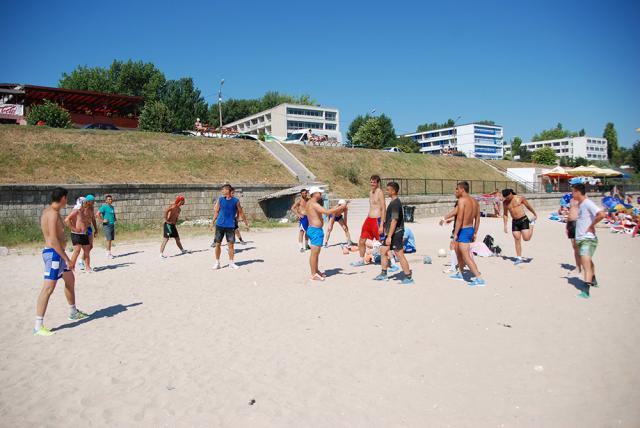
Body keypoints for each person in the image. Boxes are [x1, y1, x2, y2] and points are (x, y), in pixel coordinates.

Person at [35, 187, 88, 336]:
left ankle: (73, 312)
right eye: (67, 198)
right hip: (54, 255)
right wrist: (67, 259)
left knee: (70, 280)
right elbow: (52, 240)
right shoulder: (52, 214)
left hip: (58, 254)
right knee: (48, 289)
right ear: (63, 198)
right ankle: (38, 326)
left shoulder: (50, 212)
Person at [373, 182, 414, 284]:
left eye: (388, 190)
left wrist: (389, 236)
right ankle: (383, 274)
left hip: (396, 233)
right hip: (391, 233)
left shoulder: (395, 203)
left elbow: (394, 220)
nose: (387, 191)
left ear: (393, 191)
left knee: (399, 254)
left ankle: (408, 277)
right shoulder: (393, 202)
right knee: (383, 250)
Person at [571, 183, 606, 299]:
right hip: (581, 238)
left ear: (577, 192)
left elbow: (601, 214)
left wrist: (592, 226)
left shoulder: (587, 203)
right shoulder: (581, 204)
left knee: (585, 263)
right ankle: (593, 280)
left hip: (588, 239)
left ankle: (586, 291)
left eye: (573, 191)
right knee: (588, 261)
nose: (572, 194)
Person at [305, 186, 346, 281]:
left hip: (313, 229)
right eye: (319, 192)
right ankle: (313, 274)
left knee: (316, 253)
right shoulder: (314, 204)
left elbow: (323, 210)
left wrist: (336, 207)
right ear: (315, 193)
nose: (321, 194)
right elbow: (327, 212)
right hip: (315, 230)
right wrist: (340, 207)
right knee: (314, 253)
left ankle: (316, 270)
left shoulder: (310, 203)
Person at [450, 182, 485, 286]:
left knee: (466, 256)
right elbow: (478, 219)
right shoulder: (475, 202)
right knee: (459, 253)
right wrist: (475, 232)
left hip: (463, 230)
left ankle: (479, 278)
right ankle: (460, 273)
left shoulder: (462, 201)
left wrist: (455, 234)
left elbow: (459, 219)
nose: (456, 191)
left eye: (457, 189)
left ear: (462, 189)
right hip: (470, 229)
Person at [212, 185, 250, 269]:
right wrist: (212, 222)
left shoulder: (236, 201)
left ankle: (231, 263)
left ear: (228, 190)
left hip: (230, 226)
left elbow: (241, 213)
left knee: (231, 246)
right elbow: (216, 211)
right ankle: (217, 263)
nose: (222, 191)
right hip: (220, 225)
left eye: (223, 189)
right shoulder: (220, 199)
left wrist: (246, 223)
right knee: (218, 244)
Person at [351, 175, 386, 267]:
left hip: (377, 220)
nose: (372, 184)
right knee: (361, 240)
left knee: (382, 242)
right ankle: (361, 260)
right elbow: (371, 207)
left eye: (374, 182)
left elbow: (383, 208)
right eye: (371, 182)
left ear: (378, 183)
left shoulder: (380, 192)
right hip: (369, 219)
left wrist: (382, 224)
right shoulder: (370, 192)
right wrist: (367, 219)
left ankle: (392, 261)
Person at [502, 188, 538, 265]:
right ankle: (519, 258)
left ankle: (532, 224)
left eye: (508, 196)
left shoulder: (519, 198)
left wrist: (534, 213)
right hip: (515, 222)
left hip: (523, 220)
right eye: (506, 197)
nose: (507, 198)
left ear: (511, 193)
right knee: (517, 239)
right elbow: (505, 214)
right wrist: (505, 225)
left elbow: (528, 206)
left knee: (526, 238)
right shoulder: (505, 203)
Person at [65, 197, 93, 272]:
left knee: (87, 250)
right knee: (77, 250)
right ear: (82, 203)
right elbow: (67, 220)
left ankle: (88, 267)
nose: (87, 204)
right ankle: (71, 267)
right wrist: (73, 228)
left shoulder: (83, 211)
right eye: (86, 202)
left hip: (84, 234)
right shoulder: (76, 210)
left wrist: (86, 227)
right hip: (76, 234)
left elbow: (85, 221)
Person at [97, 194, 116, 258]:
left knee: (110, 239)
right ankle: (108, 253)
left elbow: (113, 215)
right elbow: (97, 214)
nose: (110, 200)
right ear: (106, 201)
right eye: (109, 199)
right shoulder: (104, 207)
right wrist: (102, 220)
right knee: (109, 239)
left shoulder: (112, 207)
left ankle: (109, 252)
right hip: (107, 225)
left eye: (111, 199)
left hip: (111, 224)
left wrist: (115, 220)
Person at [83, 194, 98, 270]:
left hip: (89, 228)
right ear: (88, 201)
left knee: (91, 246)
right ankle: (85, 264)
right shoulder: (83, 208)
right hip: (83, 229)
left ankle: (81, 260)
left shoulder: (92, 208)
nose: (94, 202)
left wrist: (96, 229)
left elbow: (93, 219)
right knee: (86, 247)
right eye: (93, 201)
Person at [566, 196, 581, 273]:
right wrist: (567, 226)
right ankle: (578, 266)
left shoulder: (583, 199)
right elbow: (570, 212)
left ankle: (580, 267)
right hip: (571, 223)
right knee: (574, 246)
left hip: (578, 223)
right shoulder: (571, 199)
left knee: (578, 246)